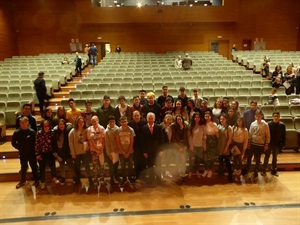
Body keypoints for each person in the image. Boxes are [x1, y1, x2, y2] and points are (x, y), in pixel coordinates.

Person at [12, 116, 39, 189]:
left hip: (32, 153)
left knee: (34, 167)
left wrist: (35, 152)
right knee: (23, 167)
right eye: (22, 123)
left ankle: (36, 180)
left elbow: (36, 142)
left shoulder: (32, 132)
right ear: (20, 123)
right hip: (23, 153)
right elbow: (13, 143)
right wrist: (20, 148)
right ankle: (22, 180)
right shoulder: (17, 132)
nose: (24, 124)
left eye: (25, 122)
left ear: (28, 123)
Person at [245, 110, 270, 178]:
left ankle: (256, 170)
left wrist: (266, 144)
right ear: (255, 117)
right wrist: (249, 143)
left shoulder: (265, 124)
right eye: (256, 116)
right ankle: (247, 169)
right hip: (253, 143)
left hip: (260, 144)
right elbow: (250, 134)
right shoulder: (253, 124)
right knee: (249, 157)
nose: (258, 117)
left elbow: (267, 135)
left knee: (258, 158)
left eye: (259, 116)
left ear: (261, 116)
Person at [68, 116, 93, 186]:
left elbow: (89, 140)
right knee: (77, 167)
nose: (81, 123)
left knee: (87, 166)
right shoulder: (72, 132)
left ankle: (90, 179)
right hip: (76, 153)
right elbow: (71, 143)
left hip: (84, 152)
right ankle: (77, 180)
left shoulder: (86, 130)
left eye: (82, 122)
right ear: (77, 123)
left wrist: (88, 147)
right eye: (79, 122)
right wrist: (73, 153)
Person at [35, 120, 59, 189]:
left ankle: (54, 177)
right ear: (42, 127)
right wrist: (37, 154)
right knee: (42, 168)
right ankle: (42, 181)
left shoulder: (52, 133)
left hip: (50, 152)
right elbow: (36, 144)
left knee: (52, 166)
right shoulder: (39, 133)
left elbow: (54, 144)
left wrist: (54, 152)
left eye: (47, 126)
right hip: (42, 153)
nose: (46, 128)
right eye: (44, 126)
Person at [141, 112, 164, 184]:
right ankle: (151, 179)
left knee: (158, 165)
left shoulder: (159, 127)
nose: (150, 120)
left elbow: (161, 139)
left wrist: (161, 150)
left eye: (152, 118)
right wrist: (144, 151)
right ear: (147, 119)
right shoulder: (144, 128)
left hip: (157, 151)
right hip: (148, 151)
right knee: (150, 166)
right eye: (149, 118)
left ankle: (159, 179)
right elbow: (142, 141)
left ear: (154, 119)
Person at [53, 119, 74, 185]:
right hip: (59, 151)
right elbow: (54, 143)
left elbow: (70, 125)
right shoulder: (56, 132)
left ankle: (75, 176)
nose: (61, 126)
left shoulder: (68, 131)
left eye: (62, 124)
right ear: (58, 125)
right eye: (60, 124)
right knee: (61, 165)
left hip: (67, 151)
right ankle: (63, 177)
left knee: (70, 165)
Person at [265, 112, 286, 176]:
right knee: (267, 156)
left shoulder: (282, 125)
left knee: (275, 158)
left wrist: (283, 144)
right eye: (275, 116)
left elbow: (284, 135)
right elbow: (265, 134)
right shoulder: (268, 124)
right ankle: (264, 169)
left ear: (279, 117)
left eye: (277, 116)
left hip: (277, 144)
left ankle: (274, 170)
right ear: (272, 117)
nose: (276, 117)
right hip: (269, 143)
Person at [128, 110, 147, 180]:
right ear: (132, 116)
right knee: (136, 161)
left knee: (144, 162)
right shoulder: (130, 124)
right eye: (135, 116)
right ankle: (138, 176)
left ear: (140, 116)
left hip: (143, 145)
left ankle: (144, 176)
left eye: (137, 115)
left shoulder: (144, 123)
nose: (136, 117)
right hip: (134, 146)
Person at [87, 116, 106, 186]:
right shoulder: (89, 129)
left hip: (101, 150)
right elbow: (90, 140)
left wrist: (101, 148)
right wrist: (96, 148)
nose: (94, 122)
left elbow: (103, 139)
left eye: (95, 121)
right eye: (92, 121)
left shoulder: (102, 128)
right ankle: (95, 179)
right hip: (93, 150)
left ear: (98, 121)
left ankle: (102, 178)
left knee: (101, 165)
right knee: (95, 165)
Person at [116, 116, 135, 185]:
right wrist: (123, 152)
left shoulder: (131, 130)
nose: (124, 123)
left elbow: (132, 142)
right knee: (122, 166)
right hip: (121, 152)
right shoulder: (118, 130)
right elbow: (118, 142)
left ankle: (130, 177)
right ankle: (124, 178)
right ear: (120, 122)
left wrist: (128, 152)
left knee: (130, 165)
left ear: (127, 122)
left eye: (125, 121)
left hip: (130, 151)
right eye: (122, 122)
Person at [188, 112, 206, 179]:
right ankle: (190, 172)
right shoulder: (191, 126)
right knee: (192, 160)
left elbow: (204, 136)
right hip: (193, 146)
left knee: (198, 160)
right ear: (193, 118)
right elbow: (189, 137)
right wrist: (191, 146)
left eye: (198, 117)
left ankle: (197, 171)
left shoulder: (202, 126)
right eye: (195, 117)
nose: (197, 118)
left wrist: (204, 145)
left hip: (200, 146)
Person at [171, 115, 189, 182]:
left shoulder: (186, 127)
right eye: (177, 119)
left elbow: (187, 138)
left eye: (180, 119)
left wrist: (185, 146)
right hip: (176, 146)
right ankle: (178, 174)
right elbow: (173, 138)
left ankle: (183, 175)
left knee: (183, 161)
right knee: (177, 161)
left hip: (184, 146)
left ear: (182, 119)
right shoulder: (173, 127)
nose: (179, 120)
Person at [217, 114, 233, 182]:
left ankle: (230, 175)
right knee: (220, 160)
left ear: (226, 119)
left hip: (225, 146)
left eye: (223, 119)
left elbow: (230, 139)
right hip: (219, 146)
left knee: (227, 161)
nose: (221, 120)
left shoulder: (229, 127)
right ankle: (221, 173)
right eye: (220, 119)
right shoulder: (218, 126)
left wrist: (226, 147)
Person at [203, 111, 219, 178]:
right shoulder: (203, 124)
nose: (207, 118)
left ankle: (210, 170)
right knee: (205, 156)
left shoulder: (214, 124)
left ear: (211, 117)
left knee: (212, 156)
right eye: (205, 116)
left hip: (212, 140)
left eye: (208, 116)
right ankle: (206, 169)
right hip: (205, 140)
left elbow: (217, 135)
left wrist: (216, 142)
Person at [105, 115, 120, 185]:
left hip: (117, 150)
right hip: (111, 151)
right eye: (110, 122)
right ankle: (111, 178)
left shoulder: (118, 129)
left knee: (116, 165)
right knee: (111, 166)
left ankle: (116, 176)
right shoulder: (106, 131)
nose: (112, 123)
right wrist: (109, 153)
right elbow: (106, 143)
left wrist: (118, 148)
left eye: (113, 121)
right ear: (108, 122)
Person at [161, 114, 174, 179]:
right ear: (165, 119)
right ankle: (161, 172)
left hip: (170, 145)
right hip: (163, 145)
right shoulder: (161, 126)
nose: (169, 121)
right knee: (161, 159)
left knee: (168, 159)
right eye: (167, 119)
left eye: (170, 119)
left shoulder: (173, 126)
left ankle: (167, 171)